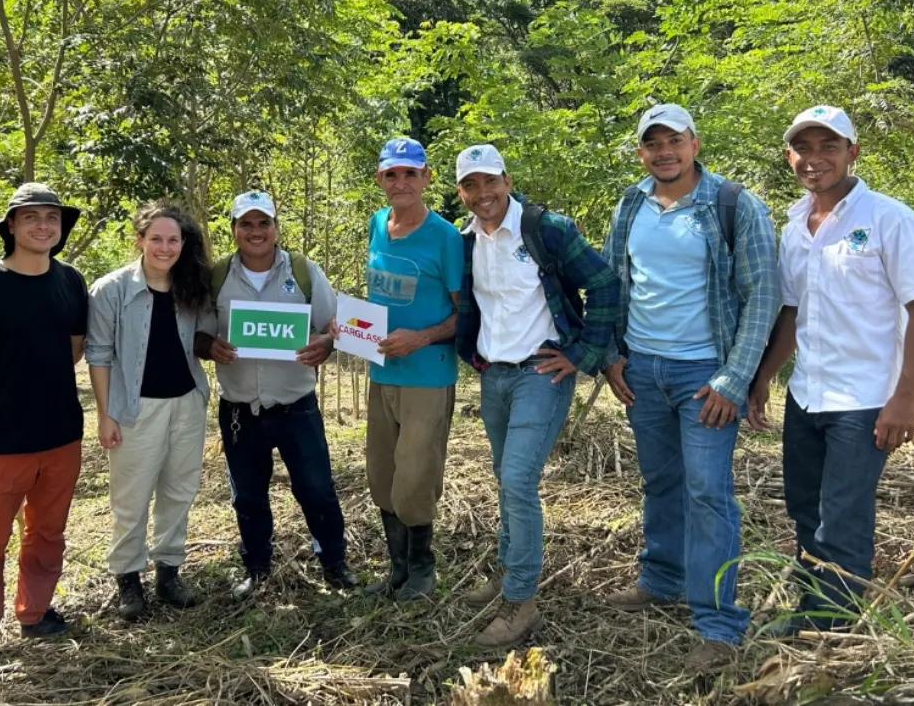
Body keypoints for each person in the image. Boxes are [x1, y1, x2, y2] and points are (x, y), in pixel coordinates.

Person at [601, 104, 780, 671]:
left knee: (708, 493)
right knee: (660, 480)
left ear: (694, 143)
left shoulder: (735, 205)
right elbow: (611, 281)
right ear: (641, 152)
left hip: (705, 376)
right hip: (643, 369)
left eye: (673, 140)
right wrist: (611, 358)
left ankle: (718, 622)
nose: (663, 152)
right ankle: (661, 576)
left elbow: (764, 297)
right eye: (652, 143)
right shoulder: (631, 205)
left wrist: (734, 378)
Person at [748, 106, 914, 635]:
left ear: (852, 152)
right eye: (803, 148)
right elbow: (793, 311)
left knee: (843, 513)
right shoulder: (792, 227)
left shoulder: (888, 218)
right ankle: (814, 602)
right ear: (790, 157)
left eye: (828, 147)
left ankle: (833, 624)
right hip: (807, 392)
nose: (815, 159)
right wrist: (764, 377)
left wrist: (906, 397)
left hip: (865, 396)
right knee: (804, 504)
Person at [454, 145, 617, 646]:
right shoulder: (464, 242)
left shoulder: (547, 230)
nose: (483, 195)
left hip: (541, 373)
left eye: (490, 182)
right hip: (494, 376)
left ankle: (522, 601)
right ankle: (509, 568)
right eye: (471, 186)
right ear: (460, 191)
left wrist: (584, 353)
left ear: (506, 179)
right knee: (506, 478)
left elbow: (604, 281)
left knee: (518, 480)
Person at [0, 183, 89, 663]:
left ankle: (36, 612)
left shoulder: (70, 281)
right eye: (31, 218)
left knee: (47, 533)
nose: (43, 225)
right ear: (11, 226)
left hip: (61, 435)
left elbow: (73, 348)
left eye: (51, 217)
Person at [196, 190, 358, 598]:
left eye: (263, 223)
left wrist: (326, 345)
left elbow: (335, 325)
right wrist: (208, 346)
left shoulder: (303, 272)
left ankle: (334, 563)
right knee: (247, 494)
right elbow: (197, 333)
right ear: (233, 229)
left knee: (317, 487)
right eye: (246, 224)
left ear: (275, 227)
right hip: (239, 411)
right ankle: (256, 567)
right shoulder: (215, 277)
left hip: (296, 408)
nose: (255, 231)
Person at [86, 200, 214, 621]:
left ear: (183, 243)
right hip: (134, 410)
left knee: (179, 492)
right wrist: (106, 414)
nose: (164, 247)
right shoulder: (112, 290)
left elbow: (205, 339)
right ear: (139, 240)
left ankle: (169, 573)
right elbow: (99, 355)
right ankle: (128, 579)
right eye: (155, 238)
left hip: (186, 404)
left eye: (172, 239)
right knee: (131, 498)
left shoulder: (192, 286)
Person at [364, 136, 463, 602]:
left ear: (426, 177)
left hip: (427, 374)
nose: (401, 182)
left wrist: (420, 338)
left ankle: (424, 568)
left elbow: (468, 315)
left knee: (416, 475)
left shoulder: (444, 237)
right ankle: (397, 568)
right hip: (381, 373)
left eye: (410, 173)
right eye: (391, 174)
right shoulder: (377, 225)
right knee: (382, 475)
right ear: (381, 179)